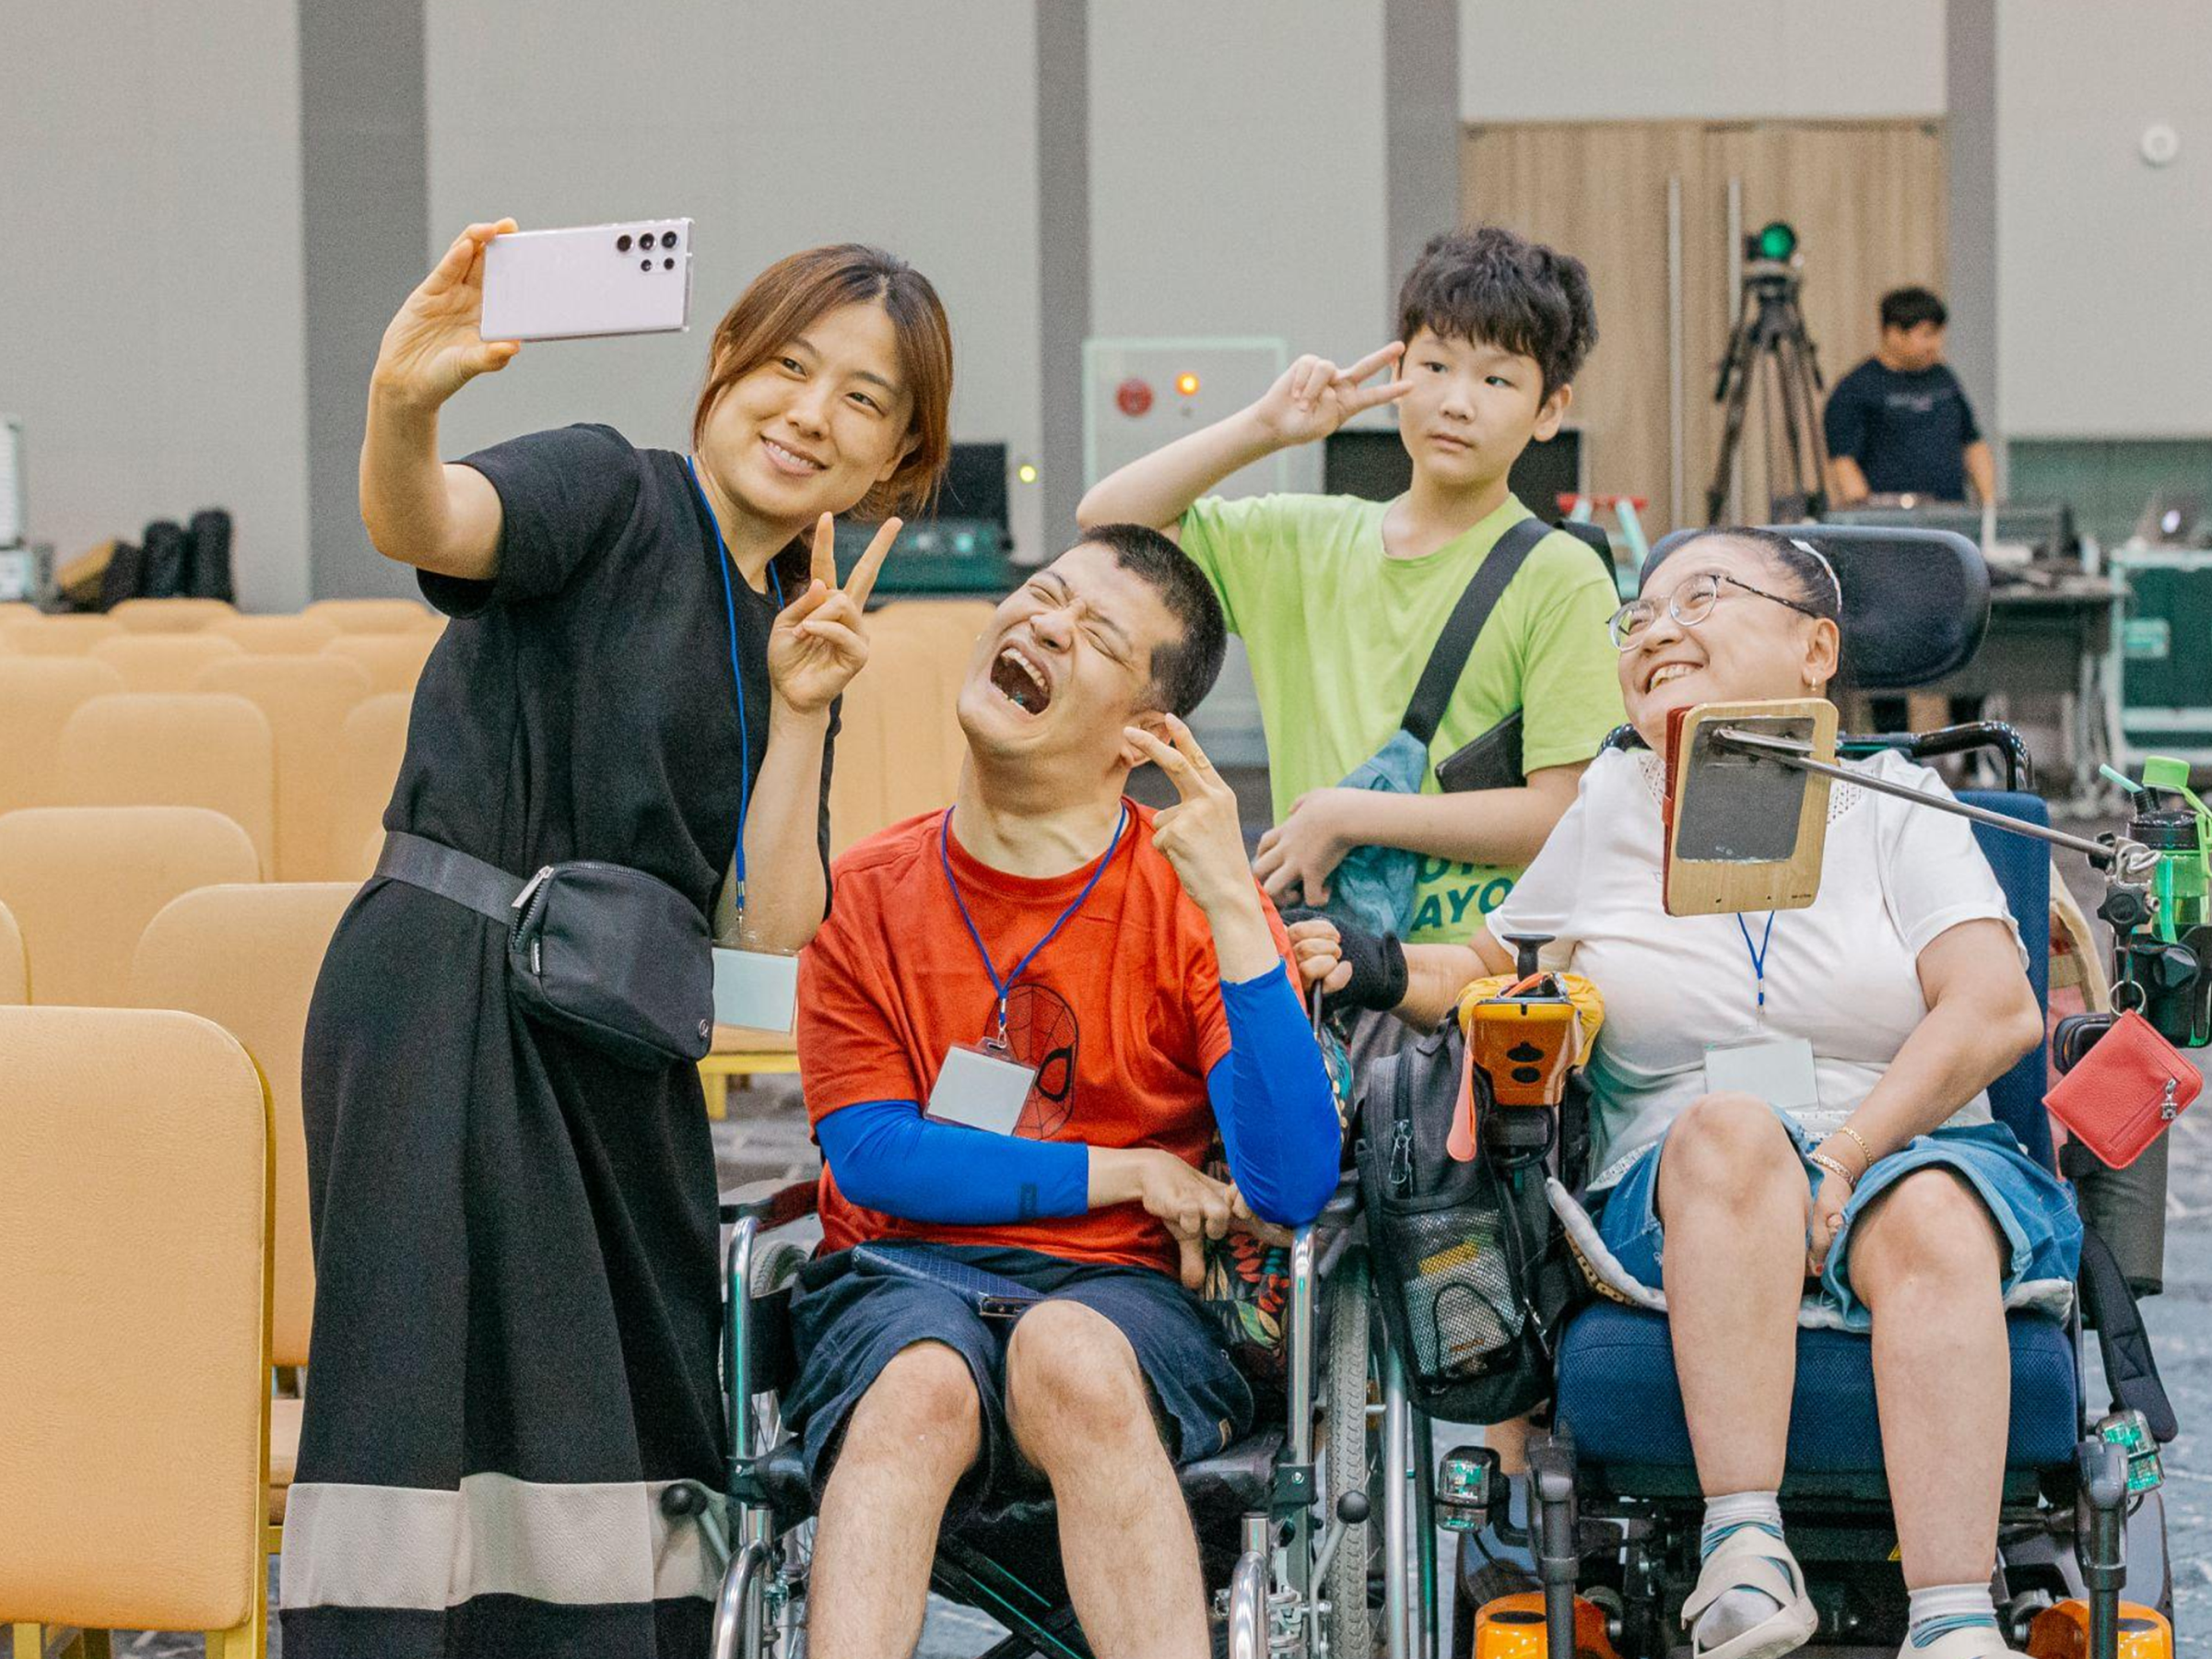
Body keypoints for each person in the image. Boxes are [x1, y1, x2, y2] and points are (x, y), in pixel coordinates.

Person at [286, 224, 952, 1659]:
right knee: (427, 1398)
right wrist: (403, 403)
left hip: (618, 1038)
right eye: (790, 368)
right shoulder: (612, 487)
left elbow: (767, 926)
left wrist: (806, 712)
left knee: (633, 1401)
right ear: (723, 364)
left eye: (862, 400)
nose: (810, 415)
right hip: (449, 993)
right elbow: (429, 521)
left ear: (895, 459)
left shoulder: (796, 626)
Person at [1297, 528, 2080, 1659]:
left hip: (1908, 1149)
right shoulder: (1616, 800)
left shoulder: (1898, 801)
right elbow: (1485, 970)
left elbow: (1995, 1009)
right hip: (1678, 1189)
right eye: (1640, 615)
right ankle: (1745, 1556)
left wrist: (1849, 1156)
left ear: (1817, 650)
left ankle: (1954, 1620)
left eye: (1702, 596)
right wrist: (1369, 964)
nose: (1657, 629)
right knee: (1727, 1133)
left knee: (1934, 1212)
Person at [787, 523, 1343, 1659]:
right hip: (898, 1273)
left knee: (1068, 1357)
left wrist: (1239, 916)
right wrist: (1126, 1171)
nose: (1046, 624)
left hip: (1122, 1297)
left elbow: (1290, 1185)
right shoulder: (862, 892)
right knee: (918, 1388)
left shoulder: (1191, 902)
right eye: (1045, 593)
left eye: (1096, 635)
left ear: (1145, 733)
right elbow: (874, 1154)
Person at [1077, 224, 1625, 976]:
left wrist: (1353, 814)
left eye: (1497, 381)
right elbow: (1108, 522)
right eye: (1435, 365)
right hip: (1315, 968)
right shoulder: (1301, 541)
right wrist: (1264, 429)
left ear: (1549, 409)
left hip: (1473, 984)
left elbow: (1565, 811)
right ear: (1400, 370)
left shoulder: (1562, 576)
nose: (1456, 402)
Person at [1825, 287, 1996, 506]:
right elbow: (1843, 462)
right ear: (1894, 334)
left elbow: (1972, 443)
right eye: (1927, 335)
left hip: (1951, 511)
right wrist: (1865, 513)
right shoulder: (1857, 387)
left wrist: (1988, 504)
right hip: (1892, 517)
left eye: (1939, 334)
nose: (1936, 344)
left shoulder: (1943, 378)